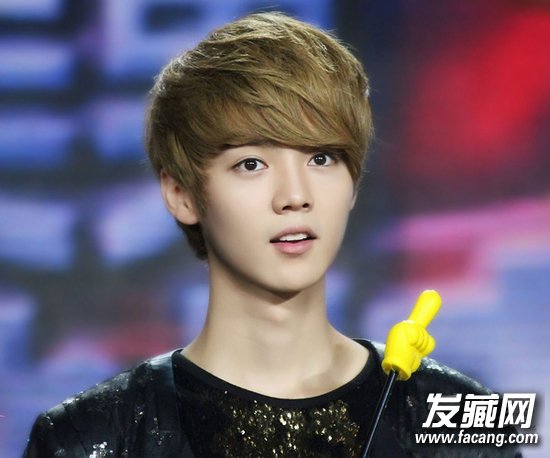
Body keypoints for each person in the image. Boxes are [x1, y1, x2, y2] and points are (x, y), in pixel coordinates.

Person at [24, 12, 520, 457]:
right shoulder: (91, 437)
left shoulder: (450, 422)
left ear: (353, 184)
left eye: (321, 158)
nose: (295, 195)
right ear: (182, 194)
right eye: (251, 164)